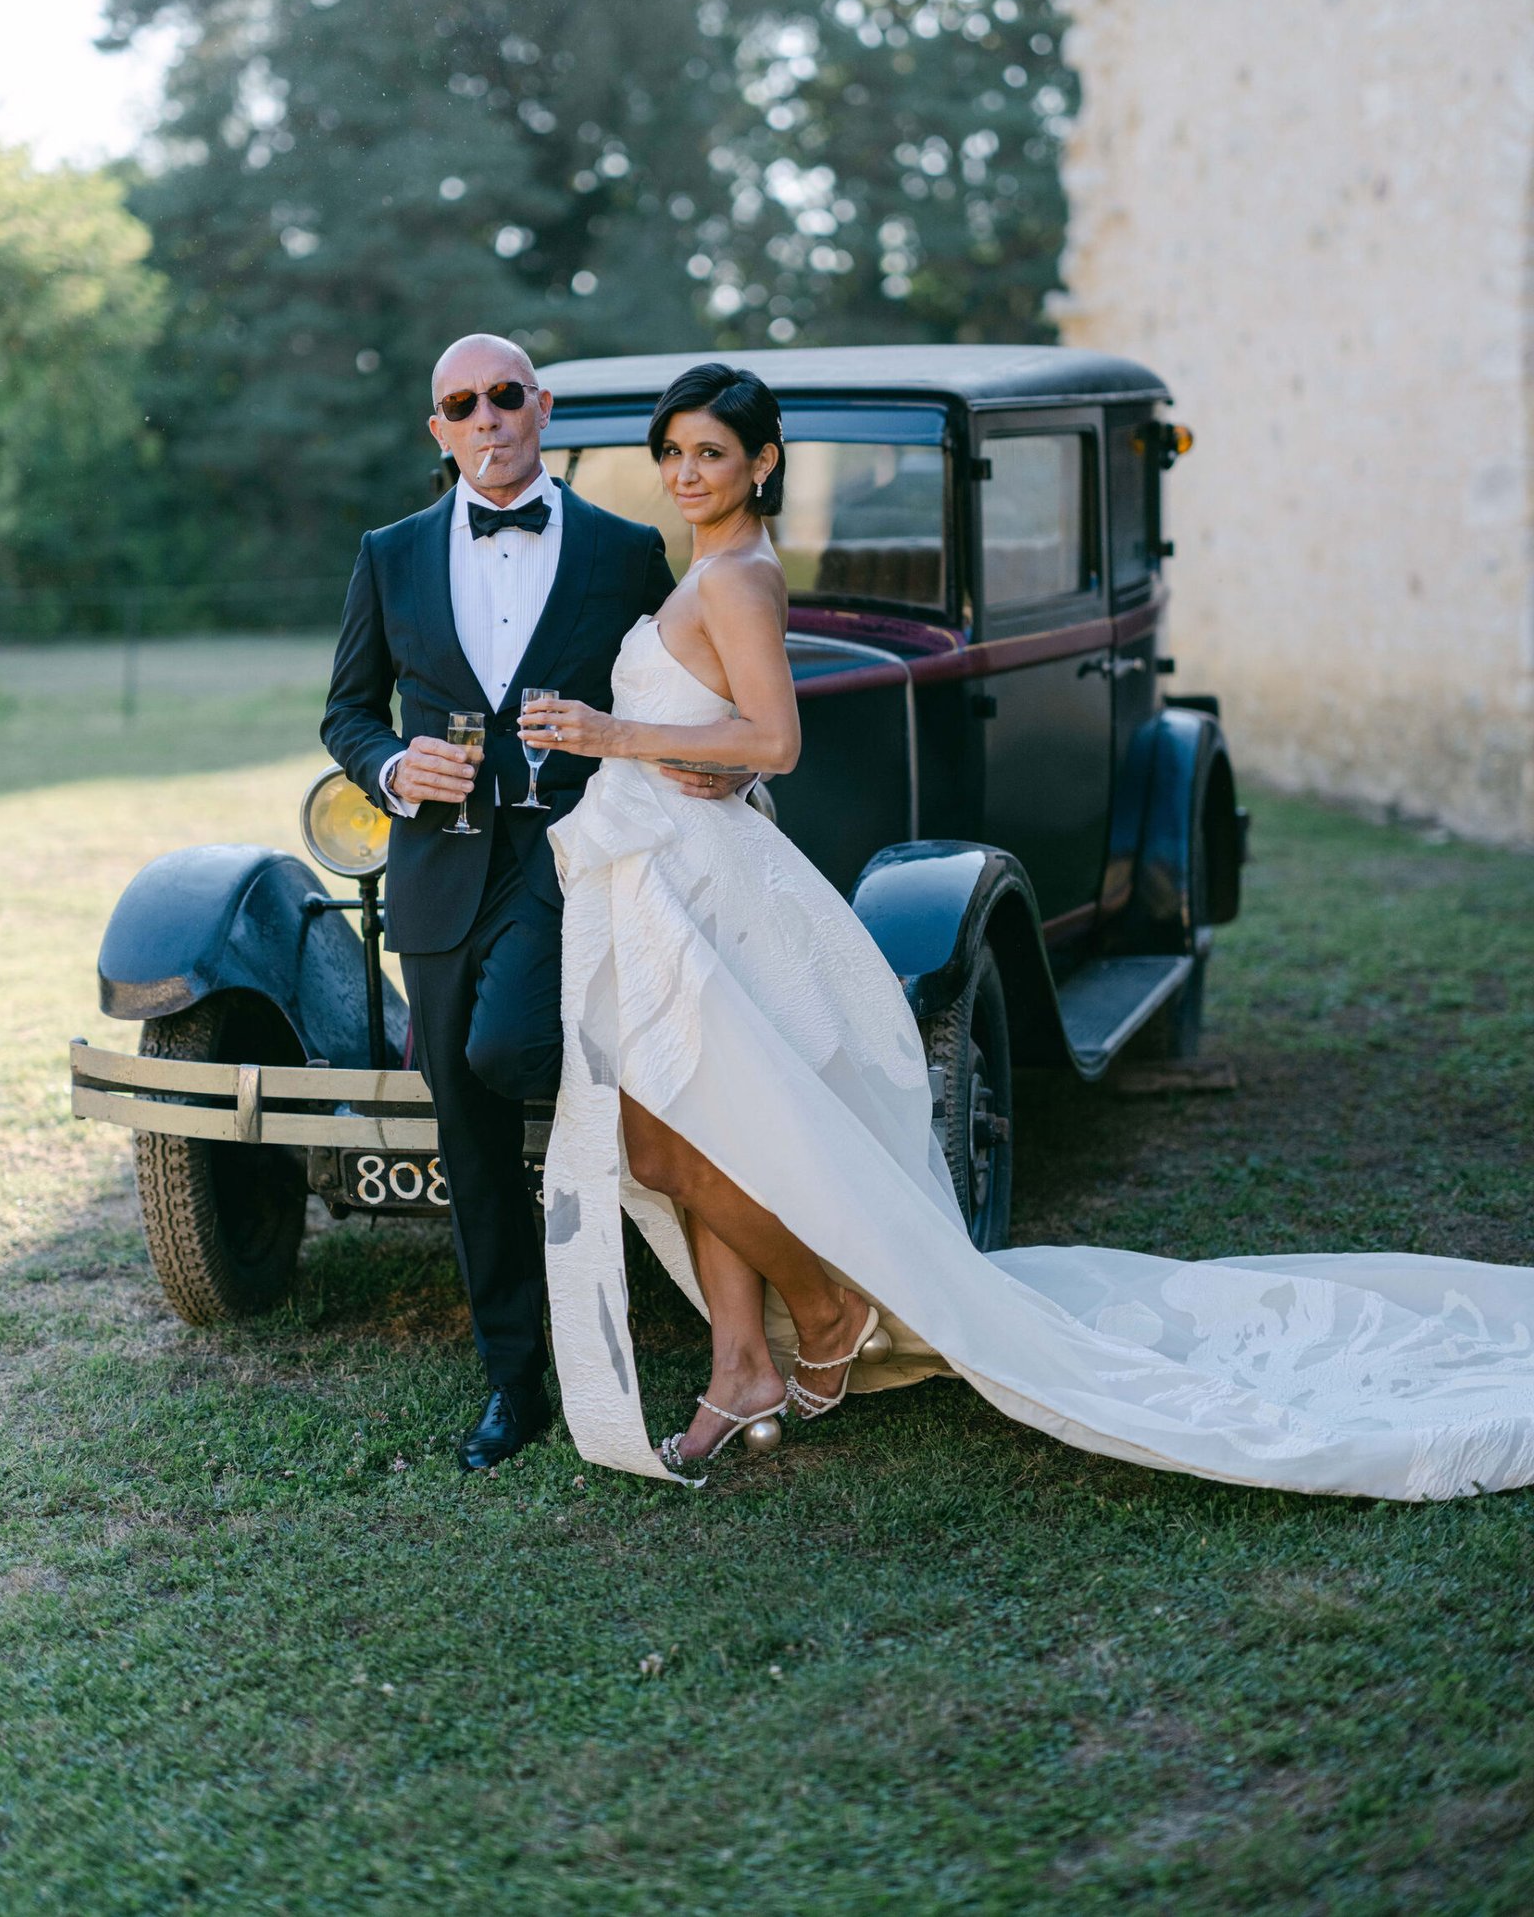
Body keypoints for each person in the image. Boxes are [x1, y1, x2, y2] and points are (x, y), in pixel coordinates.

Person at [525, 361, 1534, 1500]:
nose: (685, 473)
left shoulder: (741, 577)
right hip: (671, 872)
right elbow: (727, 737)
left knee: (668, 1143)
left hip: (699, 880)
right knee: (696, 1133)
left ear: (761, 463)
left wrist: (611, 733)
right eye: (670, 453)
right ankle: (742, 1366)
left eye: (710, 453)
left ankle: (823, 1309)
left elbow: (776, 741)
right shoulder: (711, 569)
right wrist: (665, 750)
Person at [321, 334, 747, 1473]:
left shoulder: (623, 549)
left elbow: (683, 685)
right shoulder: (389, 554)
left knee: (508, 1047)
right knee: (463, 1128)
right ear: (439, 429)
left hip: (568, 860)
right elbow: (346, 709)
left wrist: (715, 759)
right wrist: (391, 765)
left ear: (540, 407)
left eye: (504, 395)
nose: (487, 418)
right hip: (436, 867)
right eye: (461, 404)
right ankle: (513, 1383)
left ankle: (619, 1191)